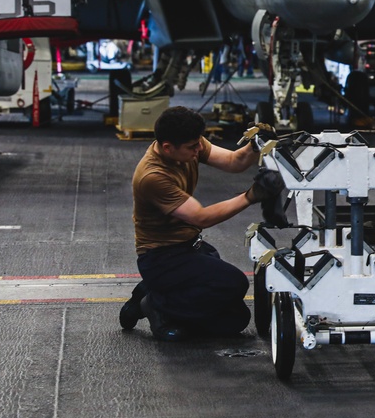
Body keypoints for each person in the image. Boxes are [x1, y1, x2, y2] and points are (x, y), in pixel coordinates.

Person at [118, 106, 284, 341]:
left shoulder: (188, 143)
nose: (198, 150)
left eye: (198, 144)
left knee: (235, 320)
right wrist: (251, 196)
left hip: (189, 246)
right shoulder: (152, 176)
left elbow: (234, 161)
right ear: (167, 147)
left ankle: (153, 290)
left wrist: (255, 145)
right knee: (234, 283)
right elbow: (201, 217)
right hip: (162, 257)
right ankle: (156, 304)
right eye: (191, 147)